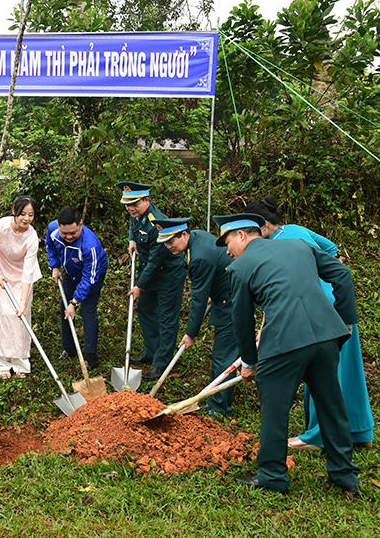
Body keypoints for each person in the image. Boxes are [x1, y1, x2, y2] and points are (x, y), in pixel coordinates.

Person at [215, 212, 360, 494]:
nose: (229, 252)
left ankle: (272, 476)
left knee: (275, 411)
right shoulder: (298, 245)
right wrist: (345, 319)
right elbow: (342, 273)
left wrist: (249, 362)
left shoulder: (241, 267)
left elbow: (242, 320)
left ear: (242, 235)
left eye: (228, 243)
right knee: (332, 407)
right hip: (326, 337)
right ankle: (345, 476)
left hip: (284, 344)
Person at [244, 196, 374, 450]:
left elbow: (281, 293)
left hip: (312, 311)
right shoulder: (296, 230)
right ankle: (360, 433)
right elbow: (332, 251)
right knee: (347, 372)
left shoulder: (276, 246)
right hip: (339, 304)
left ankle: (316, 436)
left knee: (318, 372)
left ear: (264, 226)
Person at [153, 217, 239, 416]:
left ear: (184, 234)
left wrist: (190, 334)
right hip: (223, 293)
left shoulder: (198, 257)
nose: (168, 247)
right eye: (164, 243)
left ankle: (219, 409)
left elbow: (198, 301)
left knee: (223, 356)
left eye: (171, 241)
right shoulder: (196, 237)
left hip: (232, 300)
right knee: (221, 354)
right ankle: (214, 400)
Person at [117, 181, 186, 381]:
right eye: (127, 205)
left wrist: (139, 286)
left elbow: (157, 261)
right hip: (150, 269)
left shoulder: (158, 223)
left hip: (168, 273)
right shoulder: (137, 215)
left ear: (147, 200)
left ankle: (161, 362)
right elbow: (134, 226)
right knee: (146, 308)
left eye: (135, 204)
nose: (130, 209)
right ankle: (152, 351)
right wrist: (132, 239)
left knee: (167, 318)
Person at [0, 196, 42, 378]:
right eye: (23, 214)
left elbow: (28, 273)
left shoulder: (32, 237)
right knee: (3, 316)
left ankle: (20, 362)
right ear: (14, 212)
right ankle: (2, 362)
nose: (27, 219)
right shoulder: (0, 226)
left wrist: (23, 303)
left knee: (20, 317)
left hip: (22, 278)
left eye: (31, 215)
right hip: (1, 273)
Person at [45, 206, 108, 372]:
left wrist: (75, 301)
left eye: (73, 232)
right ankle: (69, 348)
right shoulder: (52, 230)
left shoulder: (90, 246)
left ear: (80, 225)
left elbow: (89, 279)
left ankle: (91, 357)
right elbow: (50, 246)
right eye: (65, 233)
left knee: (87, 310)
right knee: (65, 308)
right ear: (58, 226)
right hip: (71, 273)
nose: (69, 236)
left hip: (92, 274)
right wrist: (55, 266)